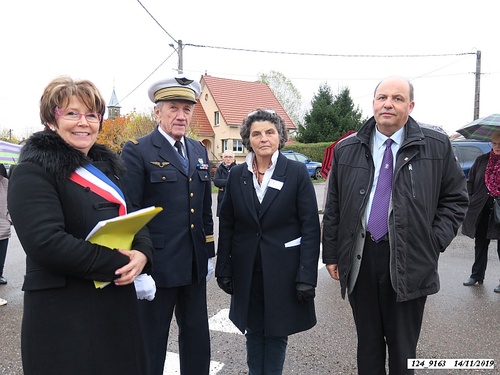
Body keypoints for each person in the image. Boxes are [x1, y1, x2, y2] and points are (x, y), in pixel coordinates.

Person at [7, 76, 154, 375]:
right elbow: (46, 242)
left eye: (91, 114)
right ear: (51, 120)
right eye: (71, 113)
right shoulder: (31, 172)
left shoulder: (108, 171)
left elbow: (131, 217)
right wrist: (119, 263)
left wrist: (142, 254)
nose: (83, 122)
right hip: (63, 317)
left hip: (114, 307)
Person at [322, 76, 469, 374]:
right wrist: (332, 253)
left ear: (410, 106)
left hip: (410, 259)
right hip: (361, 257)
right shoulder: (347, 148)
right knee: (368, 346)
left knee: (404, 351)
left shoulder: (435, 145)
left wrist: (432, 241)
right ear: (374, 103)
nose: (388, 103)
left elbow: (455, 199)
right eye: (382, 97)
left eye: (398, 98)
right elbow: (334, 206)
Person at [121, 76, 215, 375]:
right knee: (151, 340)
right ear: (157, 112)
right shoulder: (138, 150)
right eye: (173, 108)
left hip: (193, 264)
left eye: (187, 109)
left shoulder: (199, 151)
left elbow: (204, 208)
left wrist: (208, 252)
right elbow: (131, 210)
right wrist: (141, 268)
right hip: (157, 265)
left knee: (197, 337)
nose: (181, 115)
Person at [215, 109, 321, 375]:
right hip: (247, 269)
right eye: (256, 134)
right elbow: (227, 224)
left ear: (280, 137)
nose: (263, 138)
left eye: (270, 132)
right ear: (248, 139)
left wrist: (307, 276)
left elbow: (310, 226)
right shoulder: (238, 175)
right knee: (253, 329)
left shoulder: (296, 172)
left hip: (283, 269)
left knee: (276, 331)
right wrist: (223, 268)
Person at [462, 130, 500, 293]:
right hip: (482, 209)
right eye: (495, 143)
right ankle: (476, 275)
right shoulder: (482, 160)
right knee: (480, 244)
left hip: (499, 211)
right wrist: (471, 198)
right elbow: (470, 181)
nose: (497, 147)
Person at [213, 149, 236, 216]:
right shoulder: (219, 169)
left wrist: (223, 185)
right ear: (223, 158)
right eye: (226, 157)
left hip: (234, 199)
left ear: (234, 159)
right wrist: (230, 182)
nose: (228, 159)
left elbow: (237, 182)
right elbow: (216, 181)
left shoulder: (237, 168)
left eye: (230, 157)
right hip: (222, 199)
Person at [0, 163, 11, 286]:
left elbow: (11, 201)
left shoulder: (6, 183)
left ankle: (0, 274)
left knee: (2, 253)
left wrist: (9, 219)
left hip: (3, 224)